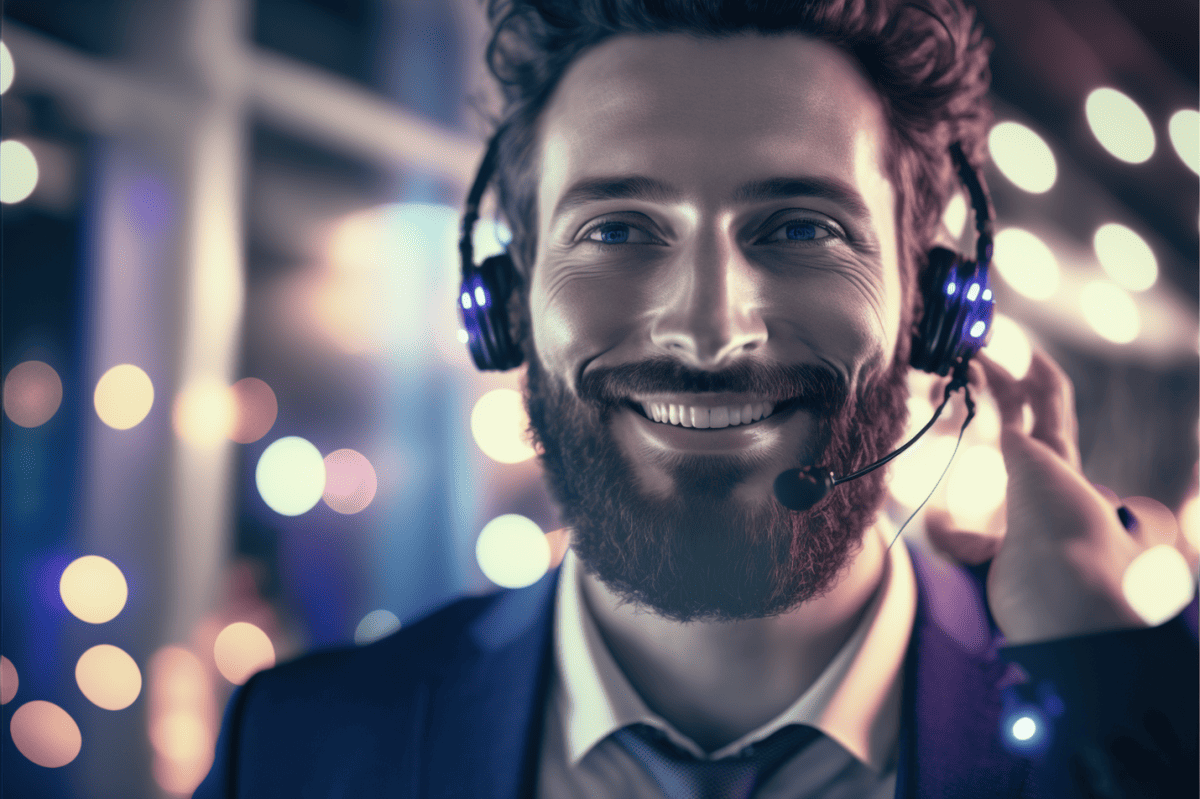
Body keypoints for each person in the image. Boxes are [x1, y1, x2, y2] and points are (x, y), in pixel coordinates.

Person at [196, 1, 1198, 797]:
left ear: (931, 306)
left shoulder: (1126, 719)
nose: (711, 333)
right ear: (507, 302)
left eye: (803, 229)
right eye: (620, 229)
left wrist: (1105, 680)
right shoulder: (295, 748)